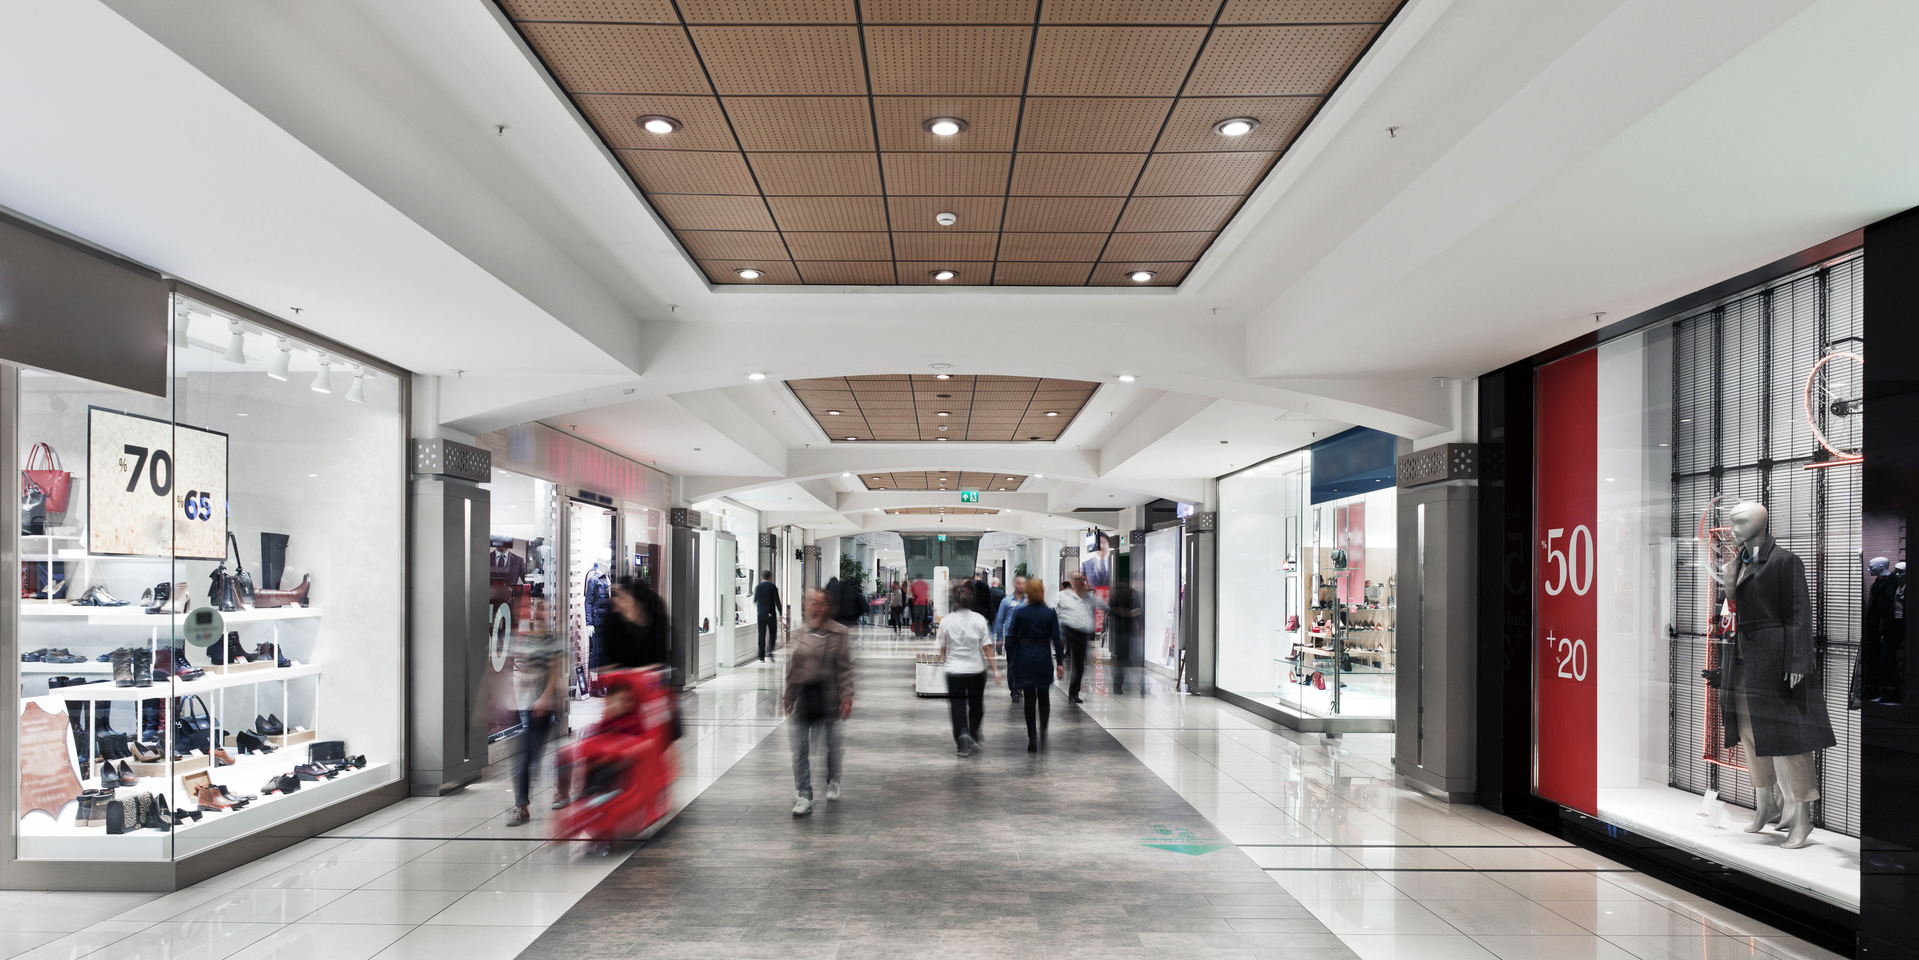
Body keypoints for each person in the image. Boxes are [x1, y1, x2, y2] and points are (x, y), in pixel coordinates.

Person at [784, 588, 854, 815]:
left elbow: (844, 668)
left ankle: (833, 779)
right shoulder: (803, 632)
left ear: (829, 607)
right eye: (813, 602)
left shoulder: (839, 633)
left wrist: (847, 695)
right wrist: (789, 695)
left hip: (828, 696)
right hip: (805, 696)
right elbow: (795, 667)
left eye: (821, 603)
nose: (817, 607)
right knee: (801, 749)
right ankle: (804, 794)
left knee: (831, 747)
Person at [506, 598, 566, 826]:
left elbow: (554, 671)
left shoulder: (555, 640)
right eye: (536, 608)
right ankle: (521, 805)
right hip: (528, 705)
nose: (539, 612)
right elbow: (525, 668)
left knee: (533, 755)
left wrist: (544, 698)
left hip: (544, 707)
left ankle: (555, 792)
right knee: (527, 755)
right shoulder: (528, 639)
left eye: (544, 608)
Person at [939, 581, 998, 757]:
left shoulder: (946, 621)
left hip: (954, 670)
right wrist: (994, 669)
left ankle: (962, 736)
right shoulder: (979, 620)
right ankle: (972, 732)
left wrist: (945, 660)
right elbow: (987, 647)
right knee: (976, 704)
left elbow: (942, 648)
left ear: (954, 602)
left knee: (957, 705)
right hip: (976, 670)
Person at [1006, 578, 1064, 752]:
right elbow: (1057, 638)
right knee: (1044, 695)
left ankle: (1032, 736)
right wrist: (1060, 662)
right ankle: (1044, 729)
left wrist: (1011, 658)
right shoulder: (1050, 613)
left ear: (1028, 593)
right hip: (1043, 655)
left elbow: (1011, 636)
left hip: (1025, 656)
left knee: (1029, 697)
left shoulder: (1020, 612)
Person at [596, 576, 670, 672]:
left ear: (636, 601)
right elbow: (609, 659)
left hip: (648, 681)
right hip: (621, 682)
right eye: (613, 595)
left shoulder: (657, 622)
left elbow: (661, 660)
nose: (613, 600)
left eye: (618, 596)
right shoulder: (611, 622)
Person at [1057, 573, 1107, 704]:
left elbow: (1104, 606)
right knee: (1066, 659)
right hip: (1067, 630)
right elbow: (1051, 608)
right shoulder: (1063, 595)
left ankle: (1074, 693)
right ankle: (1060, 665)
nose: (1081, 582)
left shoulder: (1088, 596)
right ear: (1072, 581)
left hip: (1082, 632)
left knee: (1079, 666)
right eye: (1078, 579)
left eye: (1082, 579)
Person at [993, 575, 1027, 703]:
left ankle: (1021, 686)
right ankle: (1014, 690)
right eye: (1019, 583)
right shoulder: (1006, 601)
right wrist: (1000, 639)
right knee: (1012, 664)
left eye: (1024, 583)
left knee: (1024, 664)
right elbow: (1000, 620)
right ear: (1014, 585)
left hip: (1025, 637)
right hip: (1011, 636)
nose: (1022, 586)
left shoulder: (1028, 600)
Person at [753, 570, 781, 662]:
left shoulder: (758, 587)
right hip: (770, 613)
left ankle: (761, 656)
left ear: (761, 577)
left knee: (761, 634)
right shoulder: (772, 587)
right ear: (770, 577)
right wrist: (781, 613)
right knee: (772, 633)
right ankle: (769, 651)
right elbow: (777, 601)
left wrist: (760, 608)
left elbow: (755, 600)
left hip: (760, 614)